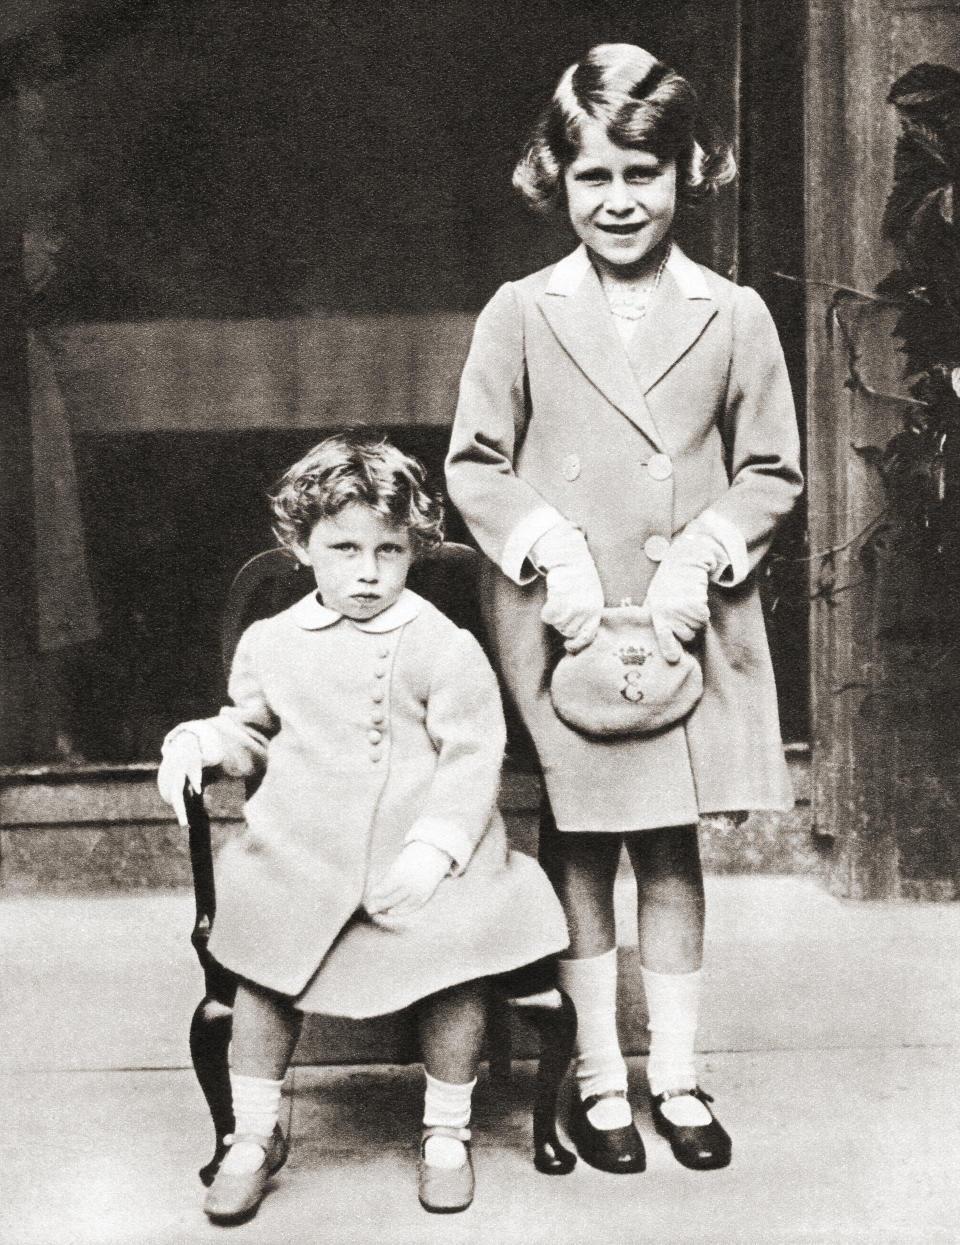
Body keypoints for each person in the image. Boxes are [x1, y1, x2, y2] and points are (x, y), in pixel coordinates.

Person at [445, 42, 803, 1175]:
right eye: (592, 175)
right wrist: (548, 546)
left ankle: (679, 1078)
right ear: (555, 177)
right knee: (585, 848)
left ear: (688, 169)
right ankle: (601, 1077)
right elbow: (476, 462)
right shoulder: (521, 310)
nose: (617, 200)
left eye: (641, 174)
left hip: (684, 621)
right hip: (572, 625)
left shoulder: (735, 314)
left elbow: (772, 471)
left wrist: (707, 551)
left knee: (672, 850)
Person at [157, 433, 569, 1222]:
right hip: (306, 850)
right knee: (265, 962)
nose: (368, 571)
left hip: (422, 854)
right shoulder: (273, 643)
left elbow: (473, 755)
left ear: (415, 550)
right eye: (343, 548)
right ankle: (253, 1132)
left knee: (455, 957)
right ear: (302, 544)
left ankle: (447, 1130)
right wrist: (204, 741)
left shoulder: (443, 646)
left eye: (390, 549)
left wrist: (436, 848)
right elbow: (251, 731)